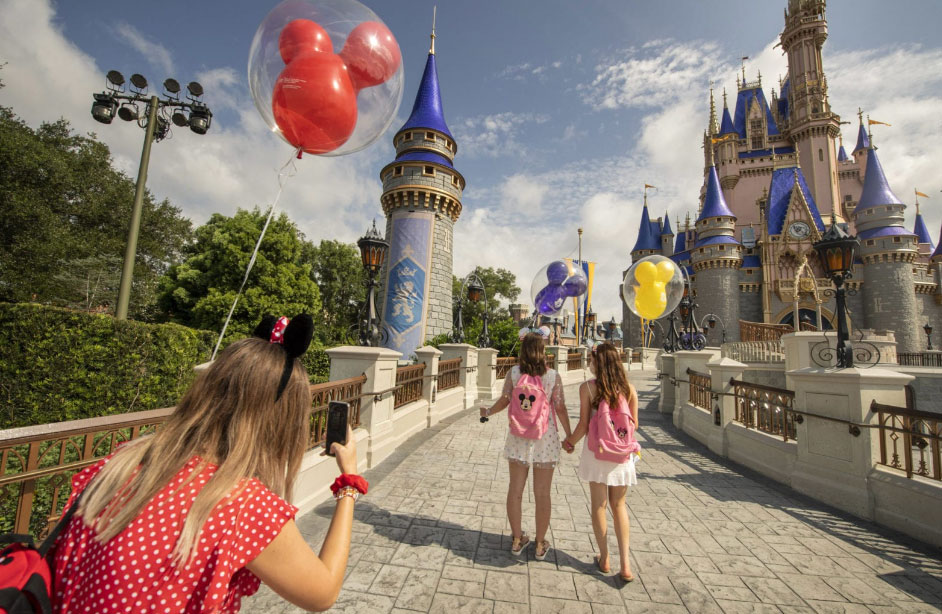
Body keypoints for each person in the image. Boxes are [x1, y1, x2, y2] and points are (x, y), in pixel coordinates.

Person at [50, 315, 364, 613]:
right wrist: (349, 481)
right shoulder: (241, 504)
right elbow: (322, 592)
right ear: (281, 421)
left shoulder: (121, 463)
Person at [480, 329, 572, 560]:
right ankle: (540, 545)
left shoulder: (513, 373)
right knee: (542, 493)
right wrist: (569, 435)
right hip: (545, 438)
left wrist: (488, 411)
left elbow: (505, 399)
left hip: (519, 437)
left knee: (515, 490)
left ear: (522, 350)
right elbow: (559, 407)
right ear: (542, 352)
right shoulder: (552, 376)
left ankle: (517, 539)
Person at [562, 342, 639, 583]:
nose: (589, 363)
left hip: (597, 453)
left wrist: (569, 442)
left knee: (599, 505)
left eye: (591, 360)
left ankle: (604, 557)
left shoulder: (588, 388)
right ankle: (625, 564)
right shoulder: (629, 390)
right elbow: (634, 424)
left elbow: (584, 426)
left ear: (598, 363)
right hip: (621, 456)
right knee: (619, 506)